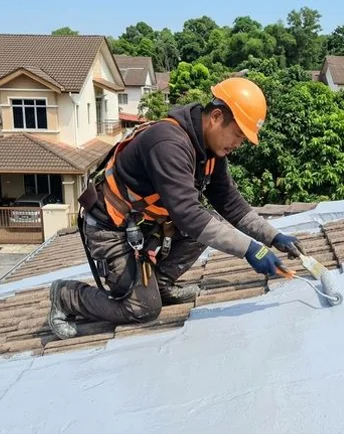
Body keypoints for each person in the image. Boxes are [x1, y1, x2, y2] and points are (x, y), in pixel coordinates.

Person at [48, 77, 305, 340]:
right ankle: (67, 296)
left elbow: (230, 203)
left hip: (144, 226)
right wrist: (251, 250)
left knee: (211, 222)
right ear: (216, 117)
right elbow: (188, 215)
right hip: (110, 229)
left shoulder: (210, 151)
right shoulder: (168, 143)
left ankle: (159, 284)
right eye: (238, 134)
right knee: (143, 309)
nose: (238, 144)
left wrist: (273, 237)